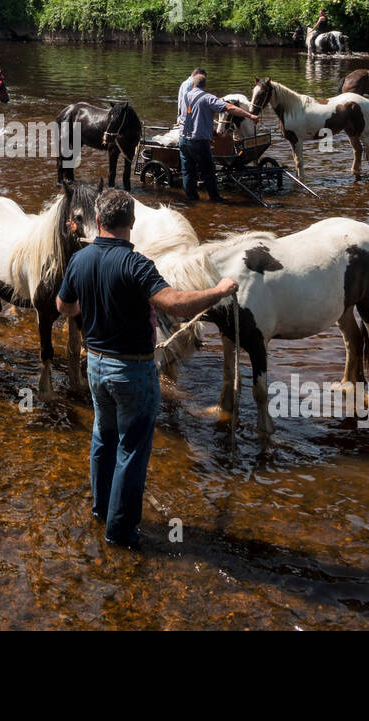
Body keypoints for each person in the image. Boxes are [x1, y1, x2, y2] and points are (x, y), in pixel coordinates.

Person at [55, 188, 240, 549]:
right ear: (132, 223)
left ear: (97, 221)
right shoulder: (137, 264)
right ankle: (120, 533)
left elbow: (64, 306)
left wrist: (88, 307)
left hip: (96, 367)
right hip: (133, 373)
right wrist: (218, 291)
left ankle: (101, 510)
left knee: (102, 440)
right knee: (132, 452)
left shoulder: (80, 260)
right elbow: (175, 304)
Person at [179, 72, 256, 202]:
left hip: (183, 140)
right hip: (199, 142)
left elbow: (188, 116)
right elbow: (230, 108)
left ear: (193, 84)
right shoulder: (207, 98)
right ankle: (215, 199)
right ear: (205, 85)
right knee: (209, 171)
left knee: (188, 172)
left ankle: (191, 200)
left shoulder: (184, 97)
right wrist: (250, 116)